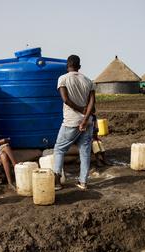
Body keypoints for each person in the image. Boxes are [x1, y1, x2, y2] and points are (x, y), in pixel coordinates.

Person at [54, 54, 95, 190]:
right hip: (88, 121)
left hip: (71, 122)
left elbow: (65, 99)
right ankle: (83, 182)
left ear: (67, 66)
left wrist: (79, 110)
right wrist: (85, 117)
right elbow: (92, 103)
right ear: (79, 67)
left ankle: (57, 182)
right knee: (85, 152)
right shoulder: (88, 81)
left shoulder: (63, 79)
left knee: (59, 149)